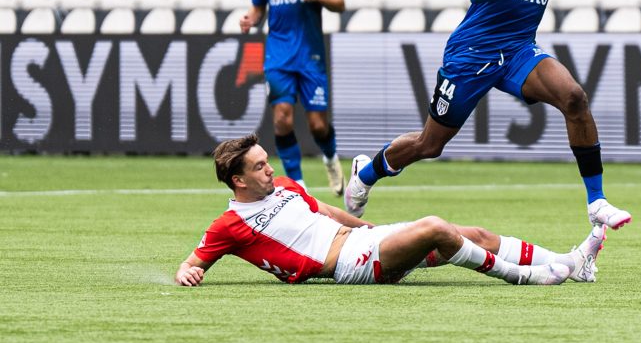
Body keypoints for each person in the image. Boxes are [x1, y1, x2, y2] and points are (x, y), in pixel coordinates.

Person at [344, 0, 631, 231]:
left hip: (518, 52)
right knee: (429, 144)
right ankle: (367, 172)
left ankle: (596, 202)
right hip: (472, 54)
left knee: (574, 98)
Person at [175, 135, 607, 287]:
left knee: (472, 233)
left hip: (363, 242)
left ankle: (571, 263)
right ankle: (526, 278)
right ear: (238, 181)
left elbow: (326, 209)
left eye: (267, 161)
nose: (270, 169)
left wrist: (371, 228)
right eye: (259, 166)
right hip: (345, 264)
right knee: (436, 227)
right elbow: (191, 264)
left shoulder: (285, 186)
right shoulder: (229, 225)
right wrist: (187, 272)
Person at [240, 0, 347, 195]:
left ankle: (330, 158)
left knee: (318, 126)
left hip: (311, 57)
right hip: (278, 55)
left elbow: (340, 3)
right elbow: (259, 7)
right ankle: (298, 185)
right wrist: (251, 17)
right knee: (282, 118)